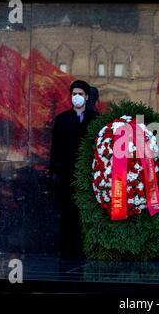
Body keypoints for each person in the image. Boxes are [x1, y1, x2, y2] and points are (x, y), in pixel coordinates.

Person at [50, 80, 98, 257]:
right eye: (74, 94)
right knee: (66, 210)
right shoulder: (62, 119)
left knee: (85, 211)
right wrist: (54, 171)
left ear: (86, 96)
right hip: (66, 173)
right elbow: (55, 147)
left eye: (80, 94)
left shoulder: (95, 119)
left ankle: (85, 247)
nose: (76, 97)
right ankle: (66, 247)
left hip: (88, 174)